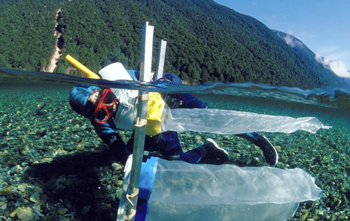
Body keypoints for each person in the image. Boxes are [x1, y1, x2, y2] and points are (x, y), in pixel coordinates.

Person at [69, 73, 278, 166]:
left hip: (170, 100)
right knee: (177, 166)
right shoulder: (102, 124)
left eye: (108, 99)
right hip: (155, 127)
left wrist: (161, 87)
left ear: (104, 90)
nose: (110, 106)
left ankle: (258, 140)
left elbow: (171, 77)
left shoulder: (118, 79)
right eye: (101, 112)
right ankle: (207, 150)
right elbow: (120, 152)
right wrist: (132, 164)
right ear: (93, 116)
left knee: (215, 120)